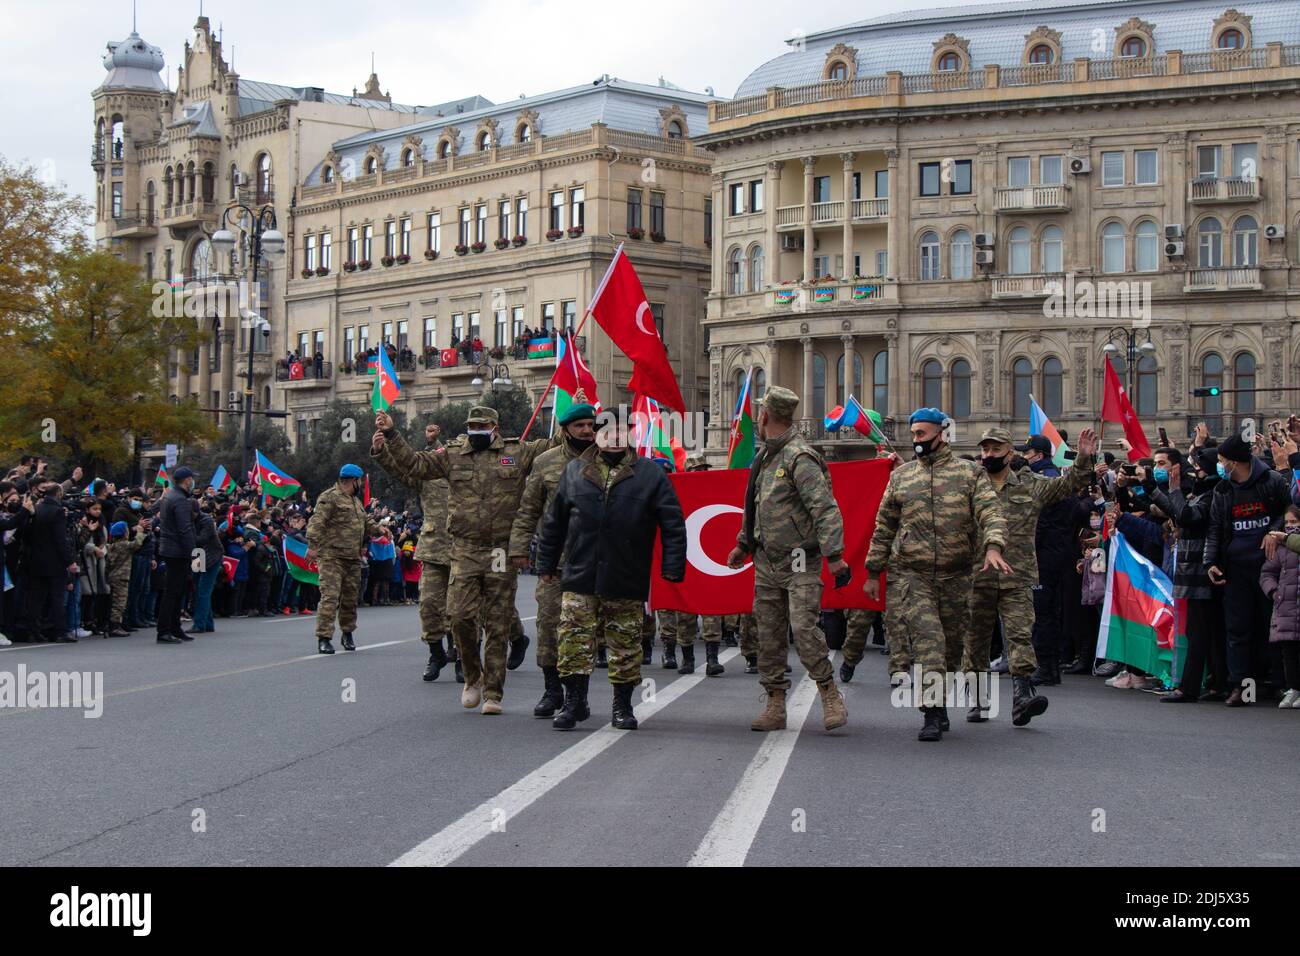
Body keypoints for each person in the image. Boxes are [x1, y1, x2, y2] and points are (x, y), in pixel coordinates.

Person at [372, 405, 554, 714]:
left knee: (497, 623)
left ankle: (494, 693)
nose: (476, 430)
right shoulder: (452, 454)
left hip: (500, 550)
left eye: (482, 425)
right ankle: (472, 676)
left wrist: (578, 406)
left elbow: (557, 444)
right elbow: (414, 464)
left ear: (494, 427)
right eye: (472, 425)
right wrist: (391, 432)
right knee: (459, 617)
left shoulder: (517, 452)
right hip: (465, 548)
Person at [864, 407, 1009, 742]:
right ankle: (931, 712)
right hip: (914, 576)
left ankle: (940, 702)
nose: (916, 440)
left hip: (957, 576)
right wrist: (874, 570)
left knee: (953, 649)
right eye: (914, 434)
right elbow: (883, 527)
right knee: (930, 643)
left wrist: (993, 547)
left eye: (922, 434)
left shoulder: (969, 474)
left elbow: (991, 512)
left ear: (941, 434)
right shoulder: (902, 477)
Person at [535, 417, 686, 730]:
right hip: (579, 573)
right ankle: (574, 701)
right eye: (607, 432)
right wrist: (546, 565)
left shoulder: (650, 474)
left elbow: (673, 523)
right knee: (572, 640)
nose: (615, 437)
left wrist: (672, 567)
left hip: (626, 574)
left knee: (625, 643)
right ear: (597, 436)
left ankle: (622, 706)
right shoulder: (574, 471)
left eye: (621, 431)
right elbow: (554, 523)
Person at [727, 386, 849, 734]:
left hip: (799, 559)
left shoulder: (800, 457)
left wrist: (835, 556)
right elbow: (753, 506)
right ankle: (775, 703)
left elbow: (824, 508)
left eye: (759, 415)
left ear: (764, 416)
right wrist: (743, 544)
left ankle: (829, 693)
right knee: (768, 633)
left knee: (803, 627)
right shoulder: (764, 458)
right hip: (767, 560)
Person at [965, 426, 1097, 725]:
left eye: (995, 450)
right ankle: (977, 700)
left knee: (1020, 635)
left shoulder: (1030, 485)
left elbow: (1068, 486)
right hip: (978, 575)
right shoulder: (970, 484)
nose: (988, 455)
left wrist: (1084, 458)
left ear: (1010, 453)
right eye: (985, 450)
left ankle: (1022, 696)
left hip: (1017, 575)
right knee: (976, 639)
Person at [509, 395, 597, 718]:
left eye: (590, 424)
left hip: (592, 562)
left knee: (582, 631)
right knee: (548, 625)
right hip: (553, 564)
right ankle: (551, 689)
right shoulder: (545, 462)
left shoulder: (604, 459)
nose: (587, 430)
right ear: (565, 429)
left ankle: (578, 695)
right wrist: (518, 548)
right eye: (580, 425)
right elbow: (528, 509)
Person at [1204, 432, 1292, 705]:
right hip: (1236, 569)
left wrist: (1274, 531)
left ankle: (1277, 683)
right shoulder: (1223, 489)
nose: (1220, 466)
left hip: (1269, 567)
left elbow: (1288, 510)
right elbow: (1216, 528)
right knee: (1238, 629)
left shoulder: (1272, 481)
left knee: (1271, 627)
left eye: (1222, 460)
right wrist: (1210, 562)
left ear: (1234, 461)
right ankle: (1243, 686)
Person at [1151, 445, 1227, 701]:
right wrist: (1156, 491)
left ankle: (1189, 687)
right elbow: (1178, 512)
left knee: (1199, 632)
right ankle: (1217, 683)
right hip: (1193, 571)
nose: (1194, 471)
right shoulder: (1202, 491)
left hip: (1201, 572)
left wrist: (1172, 491)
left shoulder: (1213, 493)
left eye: (1198, 466)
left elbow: (1186, 516)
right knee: (1207, 631)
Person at [306, 464, 381, 654]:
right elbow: (317, 522)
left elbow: (365, 521)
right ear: (353, 480)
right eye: (360, 481)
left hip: (352, 558)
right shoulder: (329, 496)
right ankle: (324, 637)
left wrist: (381, 529)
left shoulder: (354, 501)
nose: (361, 484)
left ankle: (347, 633)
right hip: (331, 556)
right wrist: (313, 546)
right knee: (330, 597)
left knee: (350, 599)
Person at [21, 482, 78, 643]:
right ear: (59, 495)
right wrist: (69, 561)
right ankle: (59, 631)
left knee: (36, 599)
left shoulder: (36, 509)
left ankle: (34, 631)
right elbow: (60, 539)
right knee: (56, 598)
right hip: (54, 562)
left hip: (36, 560)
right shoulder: (57, 511)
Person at [1261, 505, 1300, 708]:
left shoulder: (1288, 542)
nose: (1291, 526)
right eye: (1288, 523)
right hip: (1286, 605)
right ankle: (1293, 688)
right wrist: (1274, 592)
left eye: (1295, 522)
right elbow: (1267, 573)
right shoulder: (1280, 547)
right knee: (1289, 650)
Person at [156, 467, 198, 644]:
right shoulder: (180, 500)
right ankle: (164, 630)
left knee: (177, 591)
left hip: (170, 548)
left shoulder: (169, 495)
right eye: (191, 479)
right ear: (186, 480)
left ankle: (174, 627)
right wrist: (193, 552)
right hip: (178, 550)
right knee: (173, 592)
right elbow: (184, 529)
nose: (193, 482)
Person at [106, 519, 146, 636]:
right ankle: (115, 626)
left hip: (112, 576)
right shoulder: (124, 545)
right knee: (119, 603)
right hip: (122, 577)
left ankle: (115, 624)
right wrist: (139, 532)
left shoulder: (112, 546)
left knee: (115, 601)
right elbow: (137, 544)